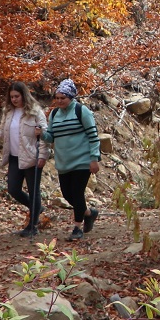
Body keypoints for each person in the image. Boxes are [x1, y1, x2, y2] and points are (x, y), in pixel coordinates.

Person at [0, 81, 49, 237]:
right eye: (11, 97)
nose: (14, 99)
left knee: (34, 191)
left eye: (17, 96)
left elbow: (44, 136)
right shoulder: (8, 112)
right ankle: (36, 209)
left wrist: (43, 156)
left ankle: (33, 225)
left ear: (24, 95)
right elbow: (2, 134)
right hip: (14, 157)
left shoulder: (35, 112)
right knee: (13, 189)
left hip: (32, 156)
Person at [38, 78, 101, 241]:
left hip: (82, 160)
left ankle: (77, 228)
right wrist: (42, 135)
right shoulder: (54, 114)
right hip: (63, 162)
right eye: (57, 98)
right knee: (67, 194)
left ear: (71, 97)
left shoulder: (82, 111)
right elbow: (51, 137)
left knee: (78, 193)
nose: (59, 101)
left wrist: (94, 158)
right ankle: (89, 213)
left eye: (63, 98)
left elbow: (93, 136)